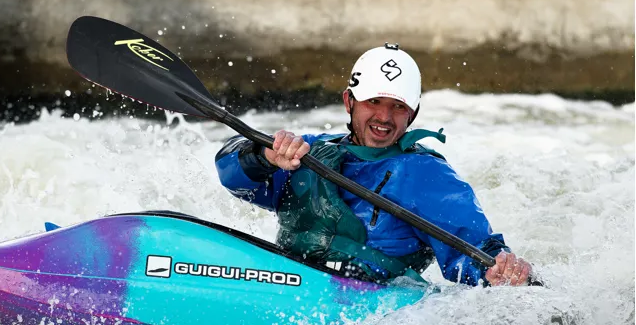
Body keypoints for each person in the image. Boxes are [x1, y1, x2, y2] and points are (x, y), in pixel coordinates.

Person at [214, 44, 532, 286]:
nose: (383, 117)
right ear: (349, 102)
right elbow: (231, 175)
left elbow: (472, 246)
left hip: (367, 304)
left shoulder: (425, 174)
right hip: (288, 282)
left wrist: (496, 269)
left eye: (397, 107)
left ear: (413, 115)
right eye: (373, 102)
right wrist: (264, 156)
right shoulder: (307, 149)